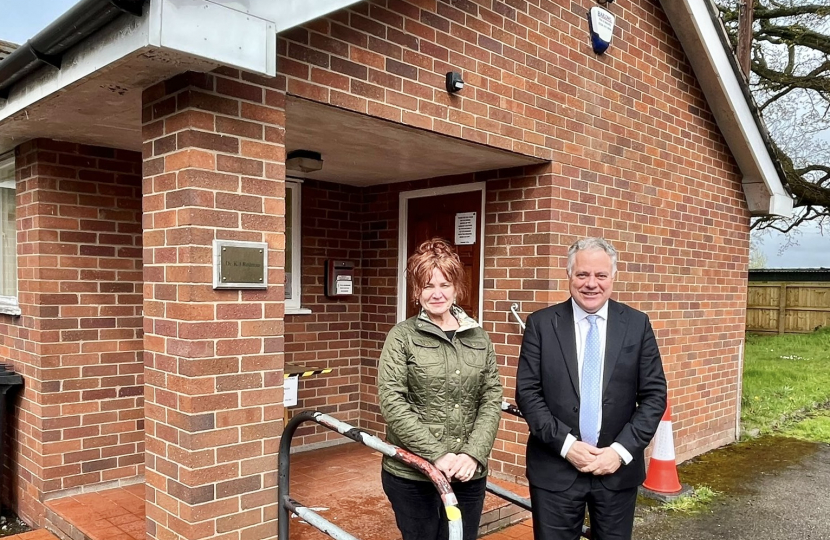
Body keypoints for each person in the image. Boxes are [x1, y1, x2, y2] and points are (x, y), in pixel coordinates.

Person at [515, 237, 667, 540]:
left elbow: (654, 396)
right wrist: (567, 446)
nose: (591, 284)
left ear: (613, 277)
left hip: (616, 471)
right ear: (569, 275)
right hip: (555, 470)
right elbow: (528, 395)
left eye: (600, 275)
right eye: (582, 274)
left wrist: (620, 452)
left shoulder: (637, 324)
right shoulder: (542, 324)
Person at [379, 238, 503, 540]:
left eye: (445, 284)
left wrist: (473, 454)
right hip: (414, 473)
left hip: (467, 472)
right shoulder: (402, 337)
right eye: (427, 286)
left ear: (457, 288)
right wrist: (437, 454)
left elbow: (491, 397)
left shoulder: (478, 337)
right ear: (416, 291)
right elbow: (392, 401)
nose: (437, 294)